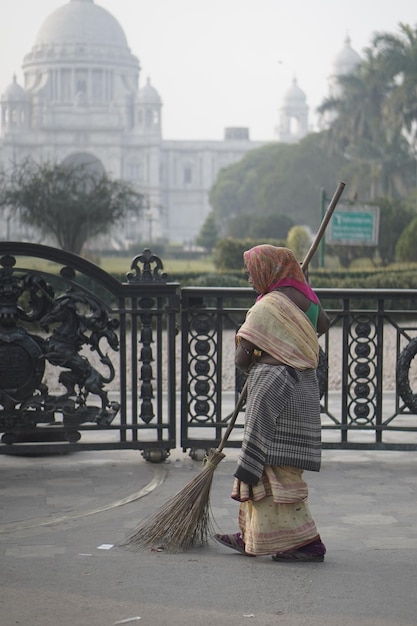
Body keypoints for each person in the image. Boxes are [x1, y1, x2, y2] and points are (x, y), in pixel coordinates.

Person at [214, 244, 330, 562]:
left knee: (268, 467)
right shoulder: (307, 301)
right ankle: (252, 536)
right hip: (303, 391)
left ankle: (308, 543)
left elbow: (240, 359)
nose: (251, 279)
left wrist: (256, 341)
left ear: (269, 271)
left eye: (253, 273)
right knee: (279, 467)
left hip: (274, 394)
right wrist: (306, 289)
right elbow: (324, 325)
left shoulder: (266, 307)